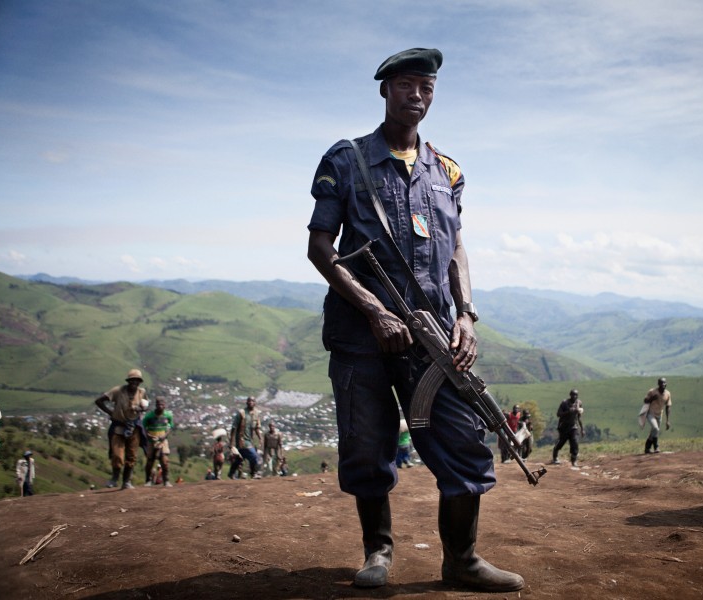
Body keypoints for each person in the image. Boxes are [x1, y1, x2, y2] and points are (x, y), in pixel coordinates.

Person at [305, 48, 522, 592]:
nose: (417, 96)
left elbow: (456, 250)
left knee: (464, 441)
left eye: (426, 87)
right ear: (385, 91)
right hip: (361, 336)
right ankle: (377, 552)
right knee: (367, 445)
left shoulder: (446, 170)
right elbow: (319, 247)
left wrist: (467, 316)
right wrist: (375, 311)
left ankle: (463, 560)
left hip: (435, 338)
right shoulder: (345, 160)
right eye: (406, 85)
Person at [95, 369, 149, 490]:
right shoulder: (118, 391)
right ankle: (114, 478)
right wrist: (111, 412)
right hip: (119, 426)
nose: (134, 382)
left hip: (134, 427)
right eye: (132, 380)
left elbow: (145, 406)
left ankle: (126, 481)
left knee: (131, 456)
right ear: (128, 381)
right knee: (117, 455)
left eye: (137, 380)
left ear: (140, 382)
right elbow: (99, 401)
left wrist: (141, 409)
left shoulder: (142, 392)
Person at [142, 397, 174, 487]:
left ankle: (166, 480)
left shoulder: (168, 415)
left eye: (162, 404)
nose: (160, 406)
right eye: (158, 404)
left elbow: (170, 427)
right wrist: (148, 435)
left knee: (164, 461)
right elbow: (144, 426)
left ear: (164, 405)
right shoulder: (149, 416)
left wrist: (165, 435)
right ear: (155, 405)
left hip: (163, 440)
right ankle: (148, 480)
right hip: (152, 440)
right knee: (150, 461)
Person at [229, 396, 263, 480]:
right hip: (242, 440)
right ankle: (254, 473)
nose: (250, 402)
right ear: (246, 402)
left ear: (255, 403)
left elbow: (257, 428)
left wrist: (260, 438)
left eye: (252, 401)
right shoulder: (242, 413)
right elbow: (234, 427)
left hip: (250, 439)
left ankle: (231, 473)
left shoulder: (256, 413)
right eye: (249, 401)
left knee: (240, 458)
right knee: (254, 456)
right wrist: (231, 442)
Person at [552, 390, 583, 466]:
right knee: (561, 442)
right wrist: (569, 411)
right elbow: (558, 414)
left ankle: (574, 460)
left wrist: (582, 428)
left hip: (574, 427)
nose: (574, 396)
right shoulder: (564, 403)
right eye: (573, 395)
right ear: (570, 395)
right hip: (564, 427)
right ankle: (555, 456)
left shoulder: (579, 403)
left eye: (576, 395)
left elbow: (579, 417)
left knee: (574, 443)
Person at [643, 378, 672, 454]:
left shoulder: (667, 394)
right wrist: (652, 398)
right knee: (655, 428)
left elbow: (668, 406)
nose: (663, 385)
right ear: (658, 384)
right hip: (650, 413)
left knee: (654, 431)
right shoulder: (652, 392)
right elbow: (645, 401)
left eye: (664, 383)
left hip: (659, 414)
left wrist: (667, 420)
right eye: (661, 383)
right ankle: (656, 446)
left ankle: (647, 448)